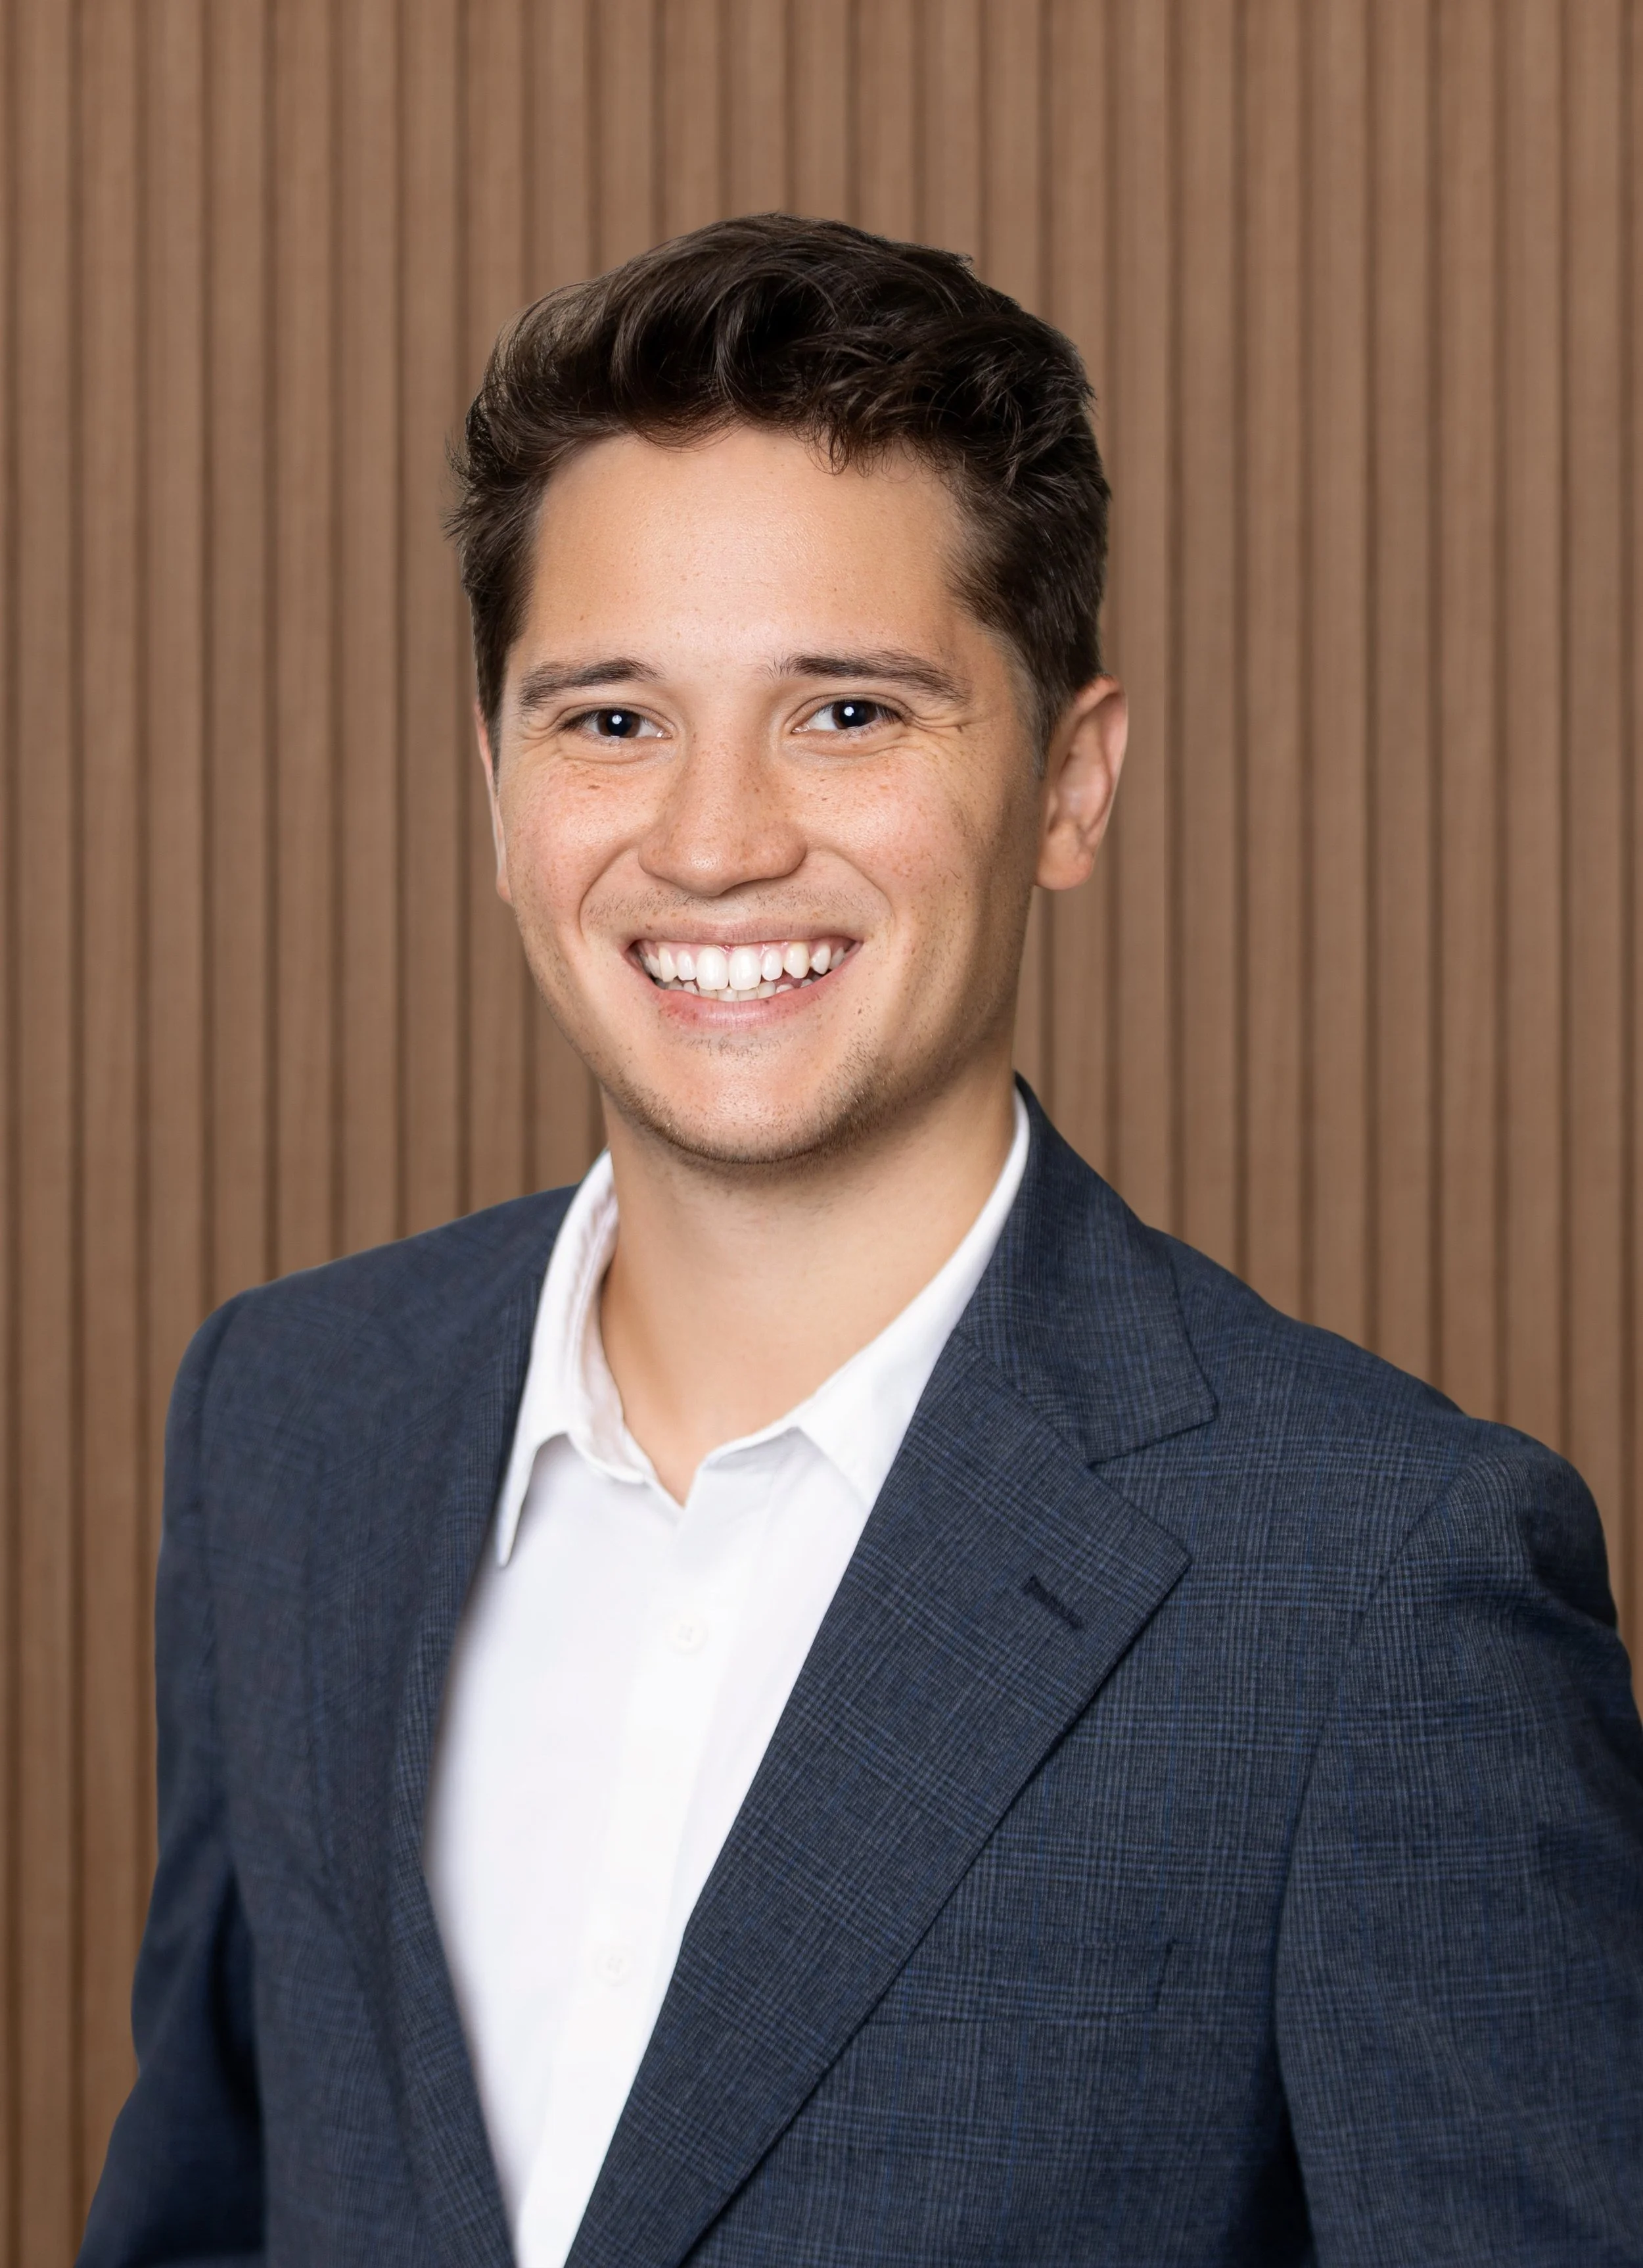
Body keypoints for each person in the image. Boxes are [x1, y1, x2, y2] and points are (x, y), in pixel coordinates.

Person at [82, 215, 1642, 2268]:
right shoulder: (289, 1418)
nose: (713, 840)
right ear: (494, 784)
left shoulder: (1377, 1583)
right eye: (610, 719)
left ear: (1069, 785)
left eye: (843, 713)